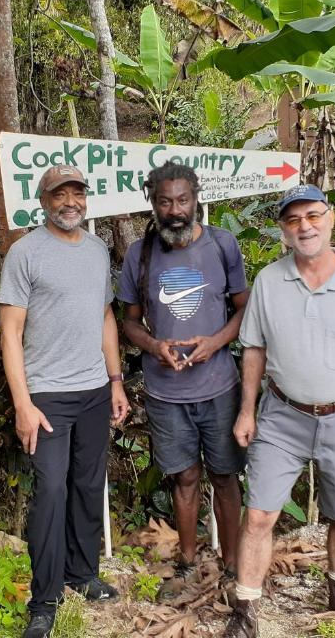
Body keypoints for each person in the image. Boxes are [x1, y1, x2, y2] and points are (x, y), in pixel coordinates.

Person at [224, 184, 335, 638]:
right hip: (282, 416)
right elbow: (254, 352)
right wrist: (246, 412)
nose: (304, 226)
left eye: (312, 216)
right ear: (284, 231)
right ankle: (246, 608)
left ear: (330, 219)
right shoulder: (269, 280)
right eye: (293, 220)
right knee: (261, 514)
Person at [0, 165, 130, 638]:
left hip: (94, 391)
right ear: (44, 200)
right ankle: (44, 598)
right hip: (47, 395)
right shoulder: (25, 253)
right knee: (51, 490)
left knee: (89, 484)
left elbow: (105, 317)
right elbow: (10, 333)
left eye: (77, 193)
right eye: (60, 194)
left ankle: (83, 573)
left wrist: (115, 380)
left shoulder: (96, 251)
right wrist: (23, 403)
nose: (70, 201)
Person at [118, 163, 249, 598]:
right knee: (185, 478)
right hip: (165, 391)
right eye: (164, 201)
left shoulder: (222, 245)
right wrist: (155, 347)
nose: (174, 210)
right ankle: (189, 561)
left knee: (226, 476)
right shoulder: (140, 254)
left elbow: (245, 310)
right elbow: (129, 323)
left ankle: (232, 565)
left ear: (196, 198)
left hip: (220, 387)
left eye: (182, 200)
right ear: (152, 202)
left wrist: (215, 342)